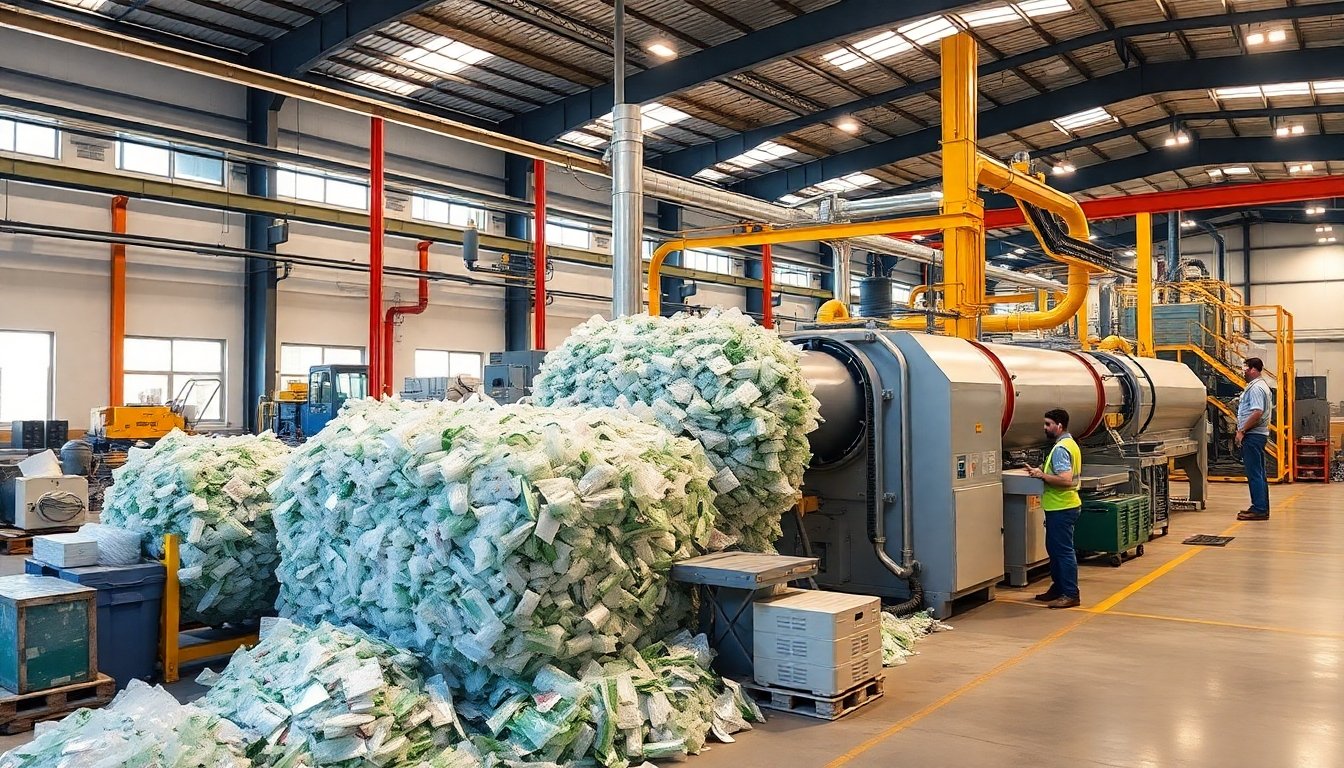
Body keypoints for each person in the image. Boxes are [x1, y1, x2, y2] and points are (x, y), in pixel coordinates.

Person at [1027, 409, 1083, 609]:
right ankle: (1058, 588)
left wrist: (1042, 476)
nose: (1045, 428)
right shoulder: (1069, 444)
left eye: (1048, 424)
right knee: (1055, 550)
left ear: (1059, 426)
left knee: (1063, 552)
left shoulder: (1061, 449)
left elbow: (1066, 480)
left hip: (1062, 506)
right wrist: (1040, 470)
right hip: (1062, 506)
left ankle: (1070, 593)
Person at [1236, 357, 1273, 521]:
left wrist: (1242, 430)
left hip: (1253, 435)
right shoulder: (1260, 386)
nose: (1243, 372)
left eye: (1245, 368)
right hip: (1258, 435)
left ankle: (1259, 508)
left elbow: (1257, 412)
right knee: (1259, 473)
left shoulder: (1256, 389)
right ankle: (1260, 506)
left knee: (1254, 473)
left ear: (1253, 369)